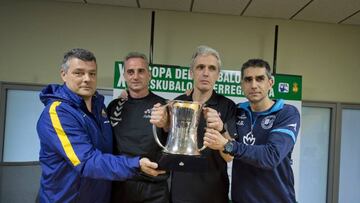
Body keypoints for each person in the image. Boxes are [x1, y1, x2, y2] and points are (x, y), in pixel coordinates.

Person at [37, 48, 164, 203]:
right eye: (79, 73)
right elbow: (87, 162)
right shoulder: (58, 112)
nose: (87, 79)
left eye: (92, 73)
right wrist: (135, 164)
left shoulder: (101, 108)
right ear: (64, 74)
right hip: (66, 198)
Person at [204, 59, 301, 203]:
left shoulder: (286, 113)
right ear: (242, 84)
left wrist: (228, 145)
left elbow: (271, 156)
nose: (254, 85)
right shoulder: (236, 111)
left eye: (260, 79)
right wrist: (193, 93)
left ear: (270, 83)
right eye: (248, 80)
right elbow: (209, 102)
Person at [151, 45, 236, 203]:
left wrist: (221, 129)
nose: (205, 73)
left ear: (218, 75)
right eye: (200, 67)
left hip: (214, 193)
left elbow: (229, 157)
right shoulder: (178, 102)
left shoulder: (228, 106)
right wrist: (163, 124)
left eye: (211, 68)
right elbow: (167, 144)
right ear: (191, 72)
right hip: (180, 192)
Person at [107, 52, 170, 203]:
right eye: (130, 72)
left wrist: (167, 124)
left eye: (141, 71)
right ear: (125, 76)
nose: (135, 76)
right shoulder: (114, 106)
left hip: (154, 186)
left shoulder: (164, 106)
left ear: (149, 75)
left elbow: (174, 141)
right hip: (121, 184)